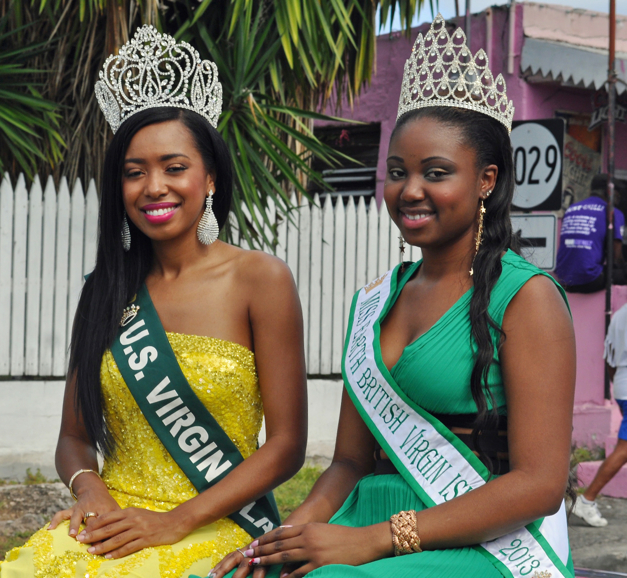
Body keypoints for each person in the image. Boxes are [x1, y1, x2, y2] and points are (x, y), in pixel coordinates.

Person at [207, 14, 576, 578]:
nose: (410, 191)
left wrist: (378, 541)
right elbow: (350, 462)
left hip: (478, 543)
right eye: (397, 171)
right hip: (364, 524)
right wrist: (282, 540)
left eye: (436, 172)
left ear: (487, 180)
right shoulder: (376, 300)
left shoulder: (526, 298)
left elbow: (539, 485)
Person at [0, 25, 307, 578]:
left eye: (175, 167)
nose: (153, 187)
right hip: (117, 517)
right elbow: (72, 438)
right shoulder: (105, 289)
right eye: (134, 172)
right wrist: (89, 490)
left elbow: (286, 446)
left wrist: (176, 521)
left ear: (210, 177)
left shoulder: (261, 279)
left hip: (217, 518)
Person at [571, 302, 627, 527]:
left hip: (622, 385)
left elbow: (609, 358)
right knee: (624, 449)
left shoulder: (620, 314)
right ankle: (587, 499)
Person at [554, 174, 626, 293]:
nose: (619, 196)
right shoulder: (612, 212)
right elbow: (617, 257)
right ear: (609, 191)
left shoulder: (572, 209)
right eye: (617, 191)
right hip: (589, 280)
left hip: (563, 279)